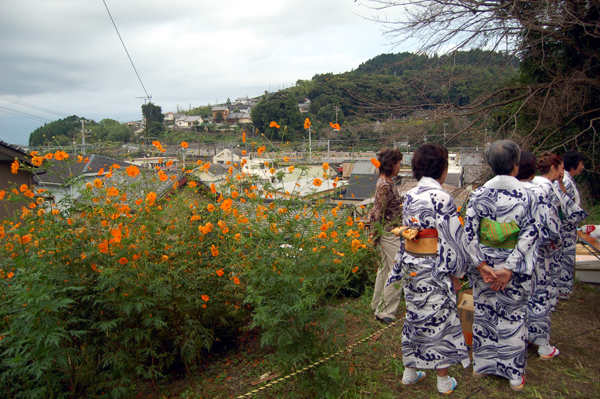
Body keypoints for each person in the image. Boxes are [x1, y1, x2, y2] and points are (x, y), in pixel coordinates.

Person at [387, 143, 469, 395]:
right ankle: (443, 382)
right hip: (435, 268)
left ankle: (409, 372)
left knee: (414, 316)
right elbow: (453, 241)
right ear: (442, 169)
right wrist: (457, 274)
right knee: (439, 320)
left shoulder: (410, 195)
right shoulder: (442, 197)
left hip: (412, 265)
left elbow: (408, 234)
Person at [464, 140, 539, 392]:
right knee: (514, 317)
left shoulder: (478, 194)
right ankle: (514, 373)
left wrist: (482, 264)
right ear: (516, 165)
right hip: (512, 267)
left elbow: (469, 234)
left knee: (484, 314)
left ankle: (482, 365)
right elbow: (530, 232)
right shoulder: (529, 195)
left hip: (485, 268)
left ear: (489, 165)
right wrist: (510, 266)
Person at [517, 152, 562, 360]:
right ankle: (542, 344)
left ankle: (520, 337)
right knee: (540, 294)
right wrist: (556, 238)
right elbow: (550, 219)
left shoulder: (512, 190)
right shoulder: (542, 188)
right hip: (539, 250)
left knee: (519, 296)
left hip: (515, 251)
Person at [369, 148, 404, 324]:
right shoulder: (385, 185)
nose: (400, 167)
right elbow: (377, 212)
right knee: (398, 269)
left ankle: (377, 304)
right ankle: (385, 311)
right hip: (389, 232)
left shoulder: (385, 182)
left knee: (385, 269)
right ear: (391, 165)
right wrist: (374, 236)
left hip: (389, 231)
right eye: (398, 163)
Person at [555, 151, 588, 299]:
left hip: (569, 226)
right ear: (574, 164)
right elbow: (564, 206)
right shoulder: (564, 181)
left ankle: (563, 289)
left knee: (566, 258)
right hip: (565, 227)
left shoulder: (567, 180)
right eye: (581, 163)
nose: (583, 167)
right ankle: (561, 290)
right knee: (563, 258)